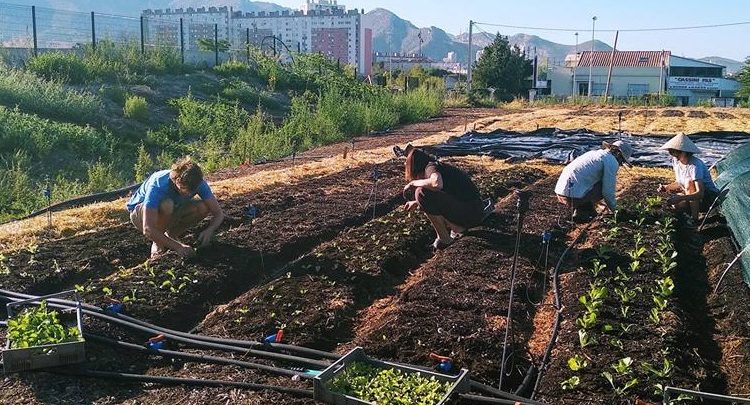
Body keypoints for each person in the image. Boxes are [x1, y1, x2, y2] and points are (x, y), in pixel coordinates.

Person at [126, 157, 225, 259]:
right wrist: (179, 247)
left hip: (174, 208)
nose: (188, 194)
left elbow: (218, 213)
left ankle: (171, 235)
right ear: (177, 180)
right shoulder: (159, 184)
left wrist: (210, 230)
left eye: (192, 191)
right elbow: (148, 228)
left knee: (202, 207)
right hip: (139, 214)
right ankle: (158, 243)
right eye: (184, 189)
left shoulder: (198, 183)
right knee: (167, 205)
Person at [402, 145, 492, 249]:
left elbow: (436, 184)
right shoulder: (438, 167)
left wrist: (414, 183)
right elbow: (446, 194)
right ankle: (456, 229)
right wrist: (417, 202)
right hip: (475, 210)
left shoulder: (430, 167)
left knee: (421, 192)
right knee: (422, 194)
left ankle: (446, 238)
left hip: (471, 213)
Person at [554, 140, 633, 222]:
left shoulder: (593, 153)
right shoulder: (611, 161)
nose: (620, 164)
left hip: (560, 193)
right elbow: (608, 192)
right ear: (618, 154)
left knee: (594, 182)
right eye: (622, 161)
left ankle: (587, 208)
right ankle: (581, 211)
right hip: (572, 197)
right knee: (602, 186)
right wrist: (617, 211)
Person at [657, 133, 720, 221]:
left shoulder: (695, 165)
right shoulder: (676, 161)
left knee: (689, 182)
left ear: (685, 152)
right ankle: (686, 220)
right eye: (671, 152)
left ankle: (695, 220)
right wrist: (666, 187)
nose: (674, 155)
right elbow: (679, 182)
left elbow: (700, 193)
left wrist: (680, 198)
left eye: (676, 152)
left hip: (708, 198)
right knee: (676, 204)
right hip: (692, 197)